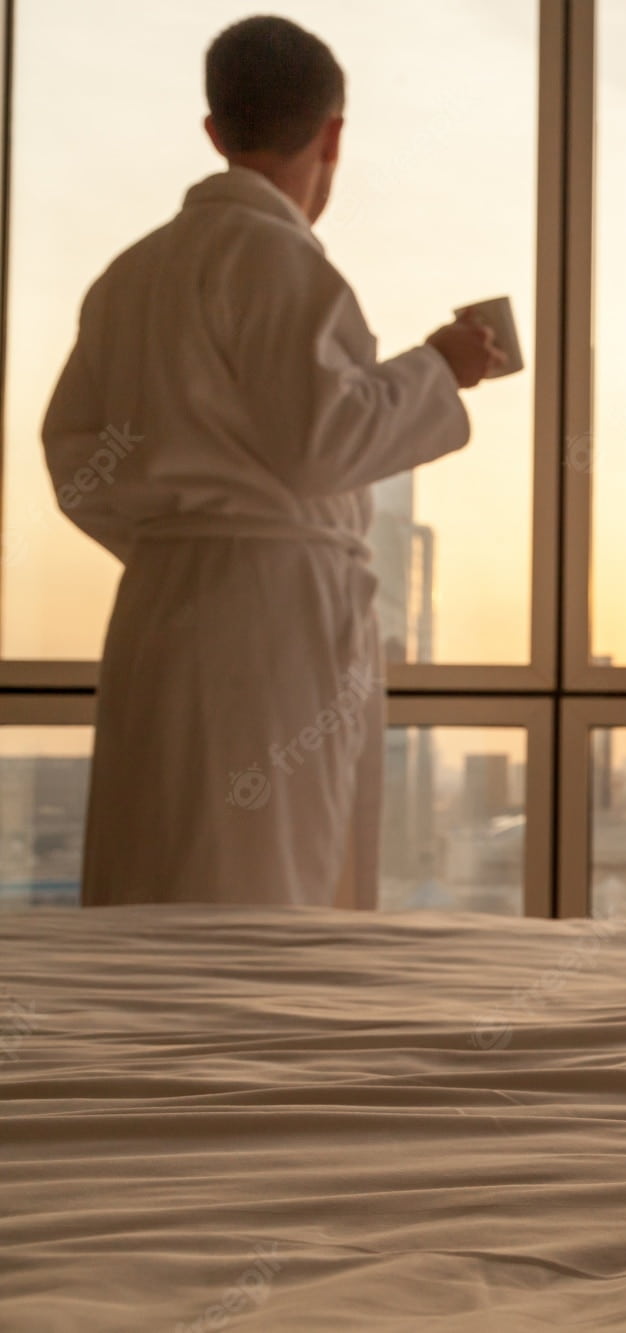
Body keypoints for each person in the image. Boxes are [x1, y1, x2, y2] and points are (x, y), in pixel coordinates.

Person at [41, 16, 502, 908]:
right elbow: (325, 441)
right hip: (273, 612)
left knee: (163, 861)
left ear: (214, 131)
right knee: (265, 876)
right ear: (334, 133)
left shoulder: (128, 277)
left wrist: (176, 537)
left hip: (162, 603)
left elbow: (72, 459)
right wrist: (441, 366)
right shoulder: (282, 260)